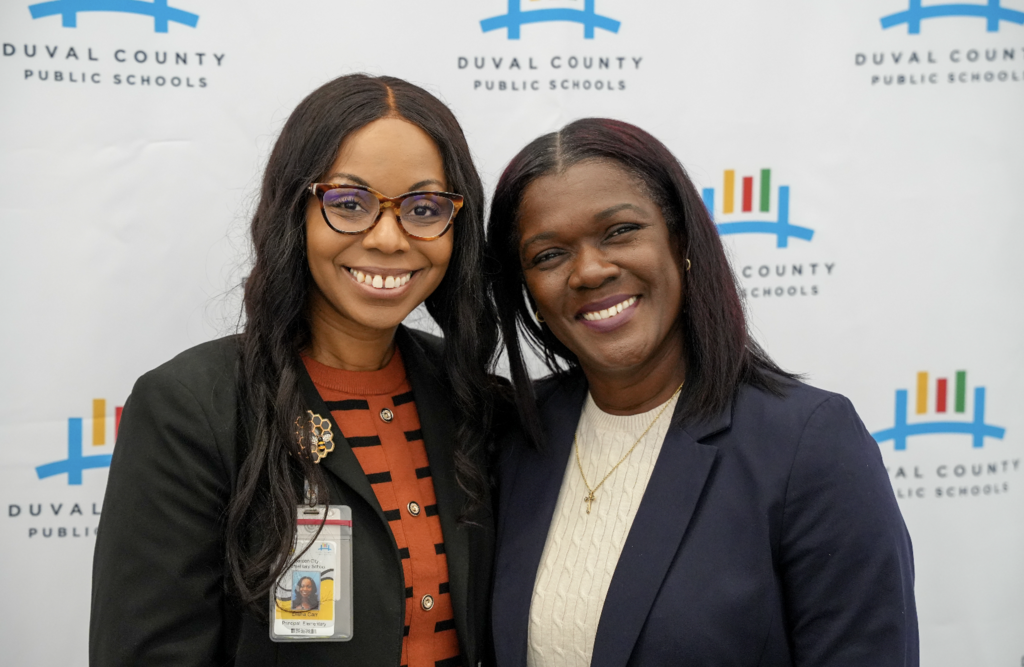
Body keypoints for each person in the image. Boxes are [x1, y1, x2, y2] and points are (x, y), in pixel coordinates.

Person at [90, 74, 499, 667]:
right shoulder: (191, 407)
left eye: (424, 208)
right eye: (350, 204)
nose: (389, 238)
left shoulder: (473, 398)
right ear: (295, 211)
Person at [485, 118, 918, 666]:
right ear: (528, 291)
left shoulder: (808, 444)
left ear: (681, 241)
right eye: (549, 255)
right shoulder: (516, 434)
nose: (590, 271)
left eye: (619, 231)